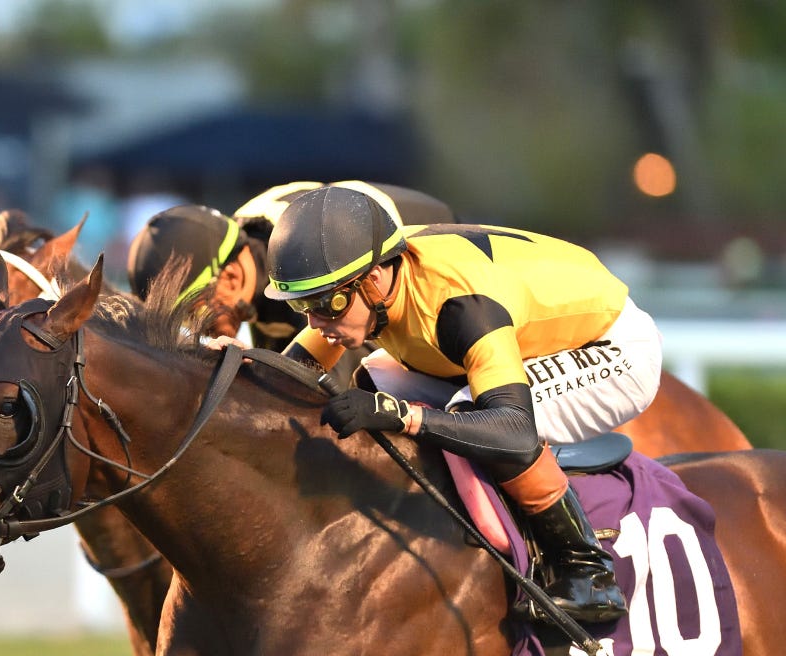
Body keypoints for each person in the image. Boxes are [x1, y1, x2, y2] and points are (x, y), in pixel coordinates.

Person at [263, 185, 664, 623]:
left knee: (471, 414)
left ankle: (587, 572)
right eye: (303, 306)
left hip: (612, 346)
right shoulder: (365, 284)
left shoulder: (461, 306)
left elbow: (511, 428)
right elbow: (283, 378)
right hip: (522, 329)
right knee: (373, 379)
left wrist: (406, 417)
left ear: (374, 279)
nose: (317, 324)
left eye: (326, 304)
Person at [126, 181, 455, 351]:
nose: (192, 329)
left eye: (190, 312)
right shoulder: (250, 248)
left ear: (230, 276)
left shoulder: (295, 255)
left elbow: (328, 376)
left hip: (448, 293)